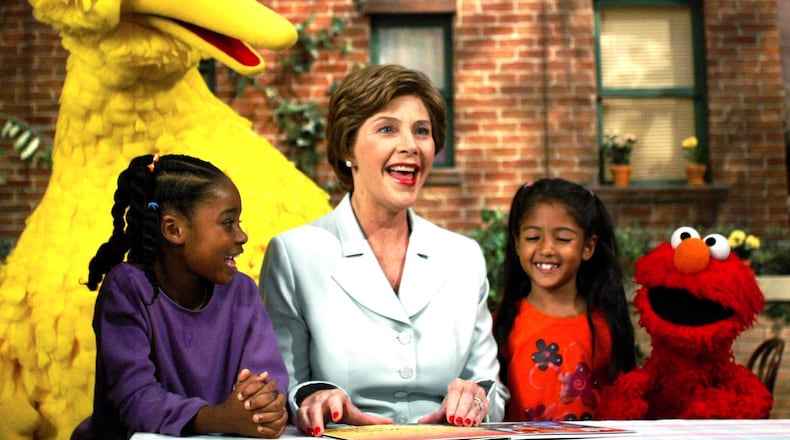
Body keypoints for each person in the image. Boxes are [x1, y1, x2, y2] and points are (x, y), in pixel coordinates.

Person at [260, 64, 508, 437]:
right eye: (387, 128)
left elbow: (492, 389)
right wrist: (313, 400)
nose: (410, 144)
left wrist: (478, 398)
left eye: (421, 131)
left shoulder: (464, 257)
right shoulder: (294, 255)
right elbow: (284, 387)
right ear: (348, 147)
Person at [73, 153, 289, 439]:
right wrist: (220, 418)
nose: (242, 236)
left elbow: (268, 380)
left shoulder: (242, 291)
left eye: (239, 222)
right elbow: (136, 401)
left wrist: (266, 404)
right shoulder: (127, 290)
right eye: (227, 223)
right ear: (174, 230)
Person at [492, 178, 636, 422]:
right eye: (533, 237)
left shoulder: (605, 326)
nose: (547, 249)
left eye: (563, 239)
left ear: (588, 247)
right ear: (517, 243)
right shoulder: (500, 325)